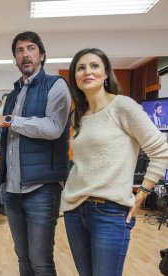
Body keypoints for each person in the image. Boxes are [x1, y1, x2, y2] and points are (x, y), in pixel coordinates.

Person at [61, 48, 168, 276]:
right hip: (75, 210)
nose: (87, 71)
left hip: (110, 211)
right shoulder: (78, 115)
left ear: (106, 73)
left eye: (94, 66)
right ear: (75, 78)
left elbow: (161, 149)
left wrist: (143, 193)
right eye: (81, 68)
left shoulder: (122, 106)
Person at [0, 31, 71, 275]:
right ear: (15, 59)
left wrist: (9, 120)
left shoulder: (56, 85)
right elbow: (3, 142)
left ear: (42, 55)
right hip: (11, 190)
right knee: (23, 259)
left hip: (41, 189)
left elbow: (53, 128)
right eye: (20, 51)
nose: (25, 55)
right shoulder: (13, 95)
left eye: (31, 49)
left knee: (41, 262)